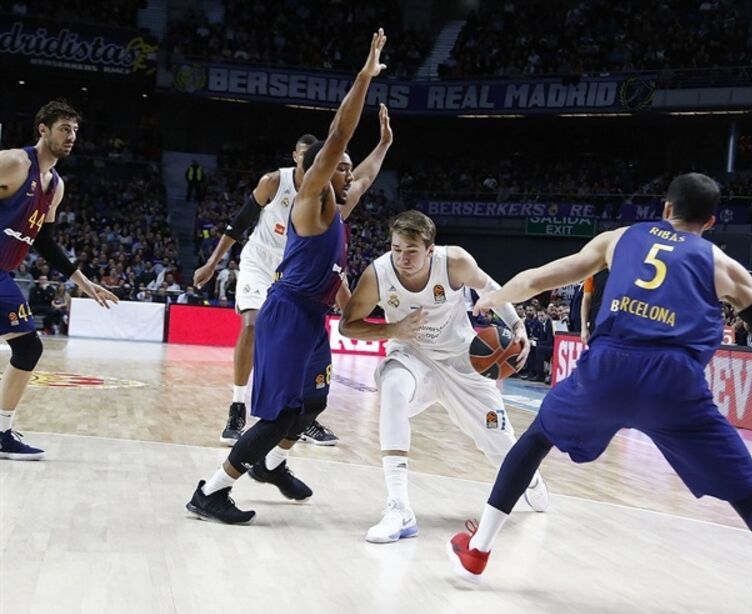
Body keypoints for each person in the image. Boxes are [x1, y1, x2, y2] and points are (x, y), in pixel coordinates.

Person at [448, 173, 752, 614]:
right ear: (710, 222)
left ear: (665, 206)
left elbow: (539, 278)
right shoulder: (722, 264)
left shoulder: (619, 238)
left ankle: (478, 551)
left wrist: (495, 299)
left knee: (538, 436)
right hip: (675, 382)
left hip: (608, 366)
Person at [186, 29, 388, 524]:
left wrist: (384, 143)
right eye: (337, 167)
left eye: (346, 170)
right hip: (287, 313)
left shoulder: (342, 203)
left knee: (313, 401)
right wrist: (364, 77)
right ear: (321, 171)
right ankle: (211, 491)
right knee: (277, 415)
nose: (346, 172)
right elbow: (339, 137)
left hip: (314, 319)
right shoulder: (313, 203)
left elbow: (363, 174)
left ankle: (272, 464)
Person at [339, 210, 549, 544]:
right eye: (396, 249)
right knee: (393, 387)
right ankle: (399, 508)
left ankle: (532, 481)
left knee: (498, 446)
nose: (402, 258)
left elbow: (490, 288)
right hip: (412, 355)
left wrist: (518, 325)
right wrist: (392, 329)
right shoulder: (378, 274)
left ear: (430, 249)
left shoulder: (454, 262)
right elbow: (347, 324)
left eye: (411, 251)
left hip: (462, 360)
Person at [194, 103, 393, 447]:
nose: (309, 162)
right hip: (262, 262)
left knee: (308, 349)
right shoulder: (276, 181)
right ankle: (238, 406)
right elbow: (241, 221)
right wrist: (213, 262)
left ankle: (302, 417)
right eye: (304, 156)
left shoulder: (333, 198)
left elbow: (361, 179)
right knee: (252, 324)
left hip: (296, 269)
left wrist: (383, 144)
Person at [0, 99, 119, 460]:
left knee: (28, 347)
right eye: (65, 128)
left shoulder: (55, 185)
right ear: (43, 130)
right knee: (27, 346)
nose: (72, 136)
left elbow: (45, 242)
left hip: (3, 273)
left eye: (75, 130)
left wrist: (84, 283)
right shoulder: (15, 162)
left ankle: (2, 431)